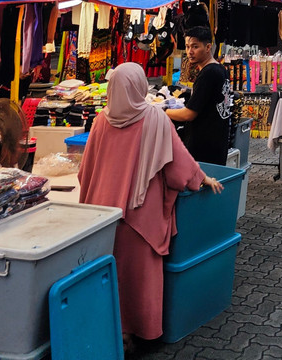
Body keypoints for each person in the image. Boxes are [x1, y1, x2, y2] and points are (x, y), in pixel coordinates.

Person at [79, 62, 223, 348]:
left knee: (108, 272)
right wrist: (202, 177)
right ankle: (139, 332)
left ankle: (110, 327)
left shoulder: (100, 120)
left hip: (102, 214)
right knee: (140, 275)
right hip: (139, 214)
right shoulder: (156, 118)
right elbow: (177, 164)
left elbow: (86, 169)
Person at [166, 27, 233, 165]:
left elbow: (188, 114)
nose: (189, 52)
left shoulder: (208, 73)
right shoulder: (220, 69)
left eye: (195, 47)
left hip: (203, 147)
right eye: (187, 46)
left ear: (208, 47)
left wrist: (162, 111)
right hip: (217, 144)